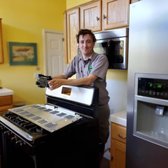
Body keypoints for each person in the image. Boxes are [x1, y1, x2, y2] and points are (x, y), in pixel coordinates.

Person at [48, 29, 110, 164]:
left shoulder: (101, 59)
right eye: (82, 42)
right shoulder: (76, 60)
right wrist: (48, 78)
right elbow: (64, 75)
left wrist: (62, 83)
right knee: (84, 139)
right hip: (82, 105)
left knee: (100, 139)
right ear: (78, 44)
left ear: (93, 43)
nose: (85, 45)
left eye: (88, 41)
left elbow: (88, 80)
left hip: (99, 107)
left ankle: (98, 163)